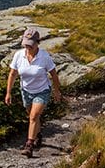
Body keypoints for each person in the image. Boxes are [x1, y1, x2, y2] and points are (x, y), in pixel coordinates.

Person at [5, 28, 63, 157]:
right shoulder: (19, 55)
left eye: (30, 44)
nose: (28, 47)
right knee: (32, 116)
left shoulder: (44, 56)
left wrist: (56, 91)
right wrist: (8, 92)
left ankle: (29, 145)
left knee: (33, 116)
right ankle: (37, 134)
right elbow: (13, 74)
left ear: (38, 43)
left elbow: (53, 74)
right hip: (26, 91)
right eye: (26, 44)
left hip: (42, 90)